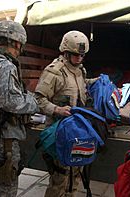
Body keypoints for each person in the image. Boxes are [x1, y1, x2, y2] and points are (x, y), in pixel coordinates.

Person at [0, 20, 39, 196]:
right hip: (4, 138)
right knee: (6, 188)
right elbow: (11, 102)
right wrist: (34, 103)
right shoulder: (4, 65)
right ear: (17, 43)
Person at [34, 30, 98, 197]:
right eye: (75, 55)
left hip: (77, 132)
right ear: (65, 52)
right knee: (59, 178)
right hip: (59, 132)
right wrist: (56, 109)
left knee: (75, 174)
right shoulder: (55, 71)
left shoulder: (80, 70)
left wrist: (98, 82)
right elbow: (38, 99)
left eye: (81, 56)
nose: (78, 58)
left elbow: (81, 85)